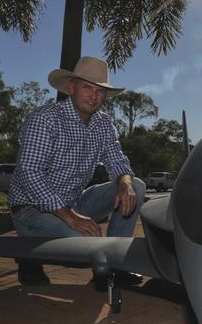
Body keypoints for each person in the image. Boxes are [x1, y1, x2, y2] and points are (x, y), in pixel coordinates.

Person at [8, 56, 146, 286]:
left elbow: (117, 161)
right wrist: (70, 217)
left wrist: (125, 182)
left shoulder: (103, 124)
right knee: (84, 248)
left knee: (136, 186)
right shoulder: (46, 119)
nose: (94, 96)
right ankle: (28, 255)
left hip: (73, 202)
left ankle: (114, 266)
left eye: (100, 91)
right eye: (87, 88)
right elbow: (28, 173)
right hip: (31, 209)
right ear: (71, 87)